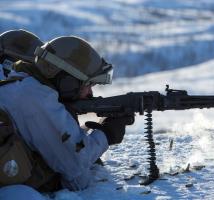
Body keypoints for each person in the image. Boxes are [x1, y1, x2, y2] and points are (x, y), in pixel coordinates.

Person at [0, 35, 134, 193]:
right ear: (68, 82)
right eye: (88, 84)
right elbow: (76, 174)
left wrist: (79, 132)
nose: (90, 93)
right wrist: (107, 134)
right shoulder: (37, 99)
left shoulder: (24, 88)